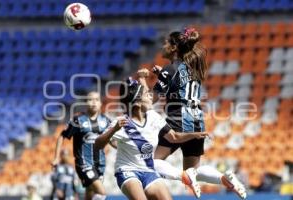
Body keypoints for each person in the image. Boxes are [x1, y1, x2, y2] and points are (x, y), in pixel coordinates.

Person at [152, 27, 247, 199]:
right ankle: (224, 178)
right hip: (197, 120)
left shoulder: (170, 69)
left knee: (152, 163)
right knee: (192, 170)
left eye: (166, 43)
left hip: (178, 120)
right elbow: (179, 88)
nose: (162, 46)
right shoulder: (193, 69)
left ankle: (183, 177)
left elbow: (152, 99)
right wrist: (163, 75)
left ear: (174, 48)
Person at [95, 78, 210, 199]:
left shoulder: (153, 117)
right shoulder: (121, 122)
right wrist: (113, 131)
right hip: (128, 171)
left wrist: (194, 135)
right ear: (138, 103)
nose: (150, 96)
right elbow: (97, 144)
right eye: (146, 94)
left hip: (148, 171)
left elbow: (174, 137)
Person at [52, 91, 111, 200]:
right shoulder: (78, 120)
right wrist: (56, 158)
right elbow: (62, 136)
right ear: (86, 102)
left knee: (90, 192)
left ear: (100, 103)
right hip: (84, 163)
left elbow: (112, 140)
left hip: (100, 164)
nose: (93, 102)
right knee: (101, 193)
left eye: (96, 100)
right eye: (90, 99)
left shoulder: (106, 121)